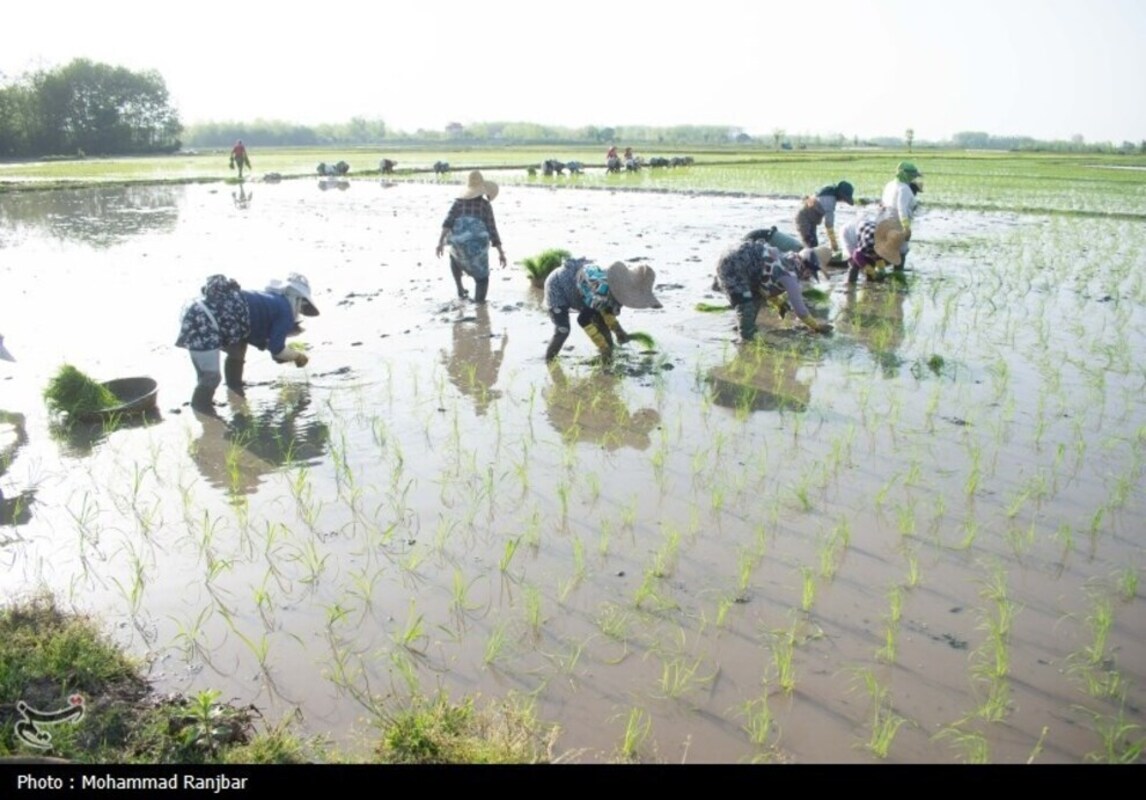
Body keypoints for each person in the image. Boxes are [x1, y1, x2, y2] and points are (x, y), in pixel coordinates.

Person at [176, 273, 318, 412]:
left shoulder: (270, 300)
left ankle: (234, 386)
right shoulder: (285, 311)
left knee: (239, 346)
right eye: (302, 307)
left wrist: (279, 353)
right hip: (204, 319)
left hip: (197, 309)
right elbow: (277, 349)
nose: (301, 311)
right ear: (298, 300)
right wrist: (298, 357)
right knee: (210, 377)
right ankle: (202, 411)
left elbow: (254, 333)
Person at [543, 257, 661, 362]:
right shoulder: (601, 291)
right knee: (563, 330)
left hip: (586, 295)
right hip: (558, 287)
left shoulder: (617, 291)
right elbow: (583, 320)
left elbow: (607, 312)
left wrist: (619, 331)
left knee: (602, 325)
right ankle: (549, 360)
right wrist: (602, 346)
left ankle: (607, 357)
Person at [714, 240, 833, 341]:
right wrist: (817, 327)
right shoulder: (790, 276)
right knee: (746, 307)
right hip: (733, 267)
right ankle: (746, 341)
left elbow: (764, 287)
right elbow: (801, 311)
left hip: (733, 259)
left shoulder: (786, 258)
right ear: (806, 267)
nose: (808, 276)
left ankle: (743, 327)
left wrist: (779, 303)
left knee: (756, 298)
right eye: (810, 273)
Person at [435, 170, 507, 303]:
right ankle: (479, 304)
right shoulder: (485, 206)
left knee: (454, 257)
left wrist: (440, 242)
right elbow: (492, 229)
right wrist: (501, 253)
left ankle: (460, 288)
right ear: (482, 189)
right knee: (482, 279)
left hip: (459, 245)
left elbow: (447, 223)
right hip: (477, 248)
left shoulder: (458, 203)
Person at [879, 162, 922, 269]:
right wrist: (906, 227)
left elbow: (883, 204)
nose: (913, 178)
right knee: (902, 251)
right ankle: (898, 275)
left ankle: (878, 273)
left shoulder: (889, 185)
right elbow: (901, 209)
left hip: (884, 221)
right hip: (897, 223)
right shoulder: (904, 188)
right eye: (912, 175)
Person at [794, 181, 855, 251]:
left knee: (813, 246)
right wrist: (833, 242)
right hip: (804, 220)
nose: (843, 200)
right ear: (840, 195)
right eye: (844, 198)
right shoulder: (829, 200)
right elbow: (829, 224)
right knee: (811, 245)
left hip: (810, 220)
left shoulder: (828, 192)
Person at [845, 217, 908, 284]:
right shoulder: (869, 243)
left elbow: (879, 255)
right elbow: (856, 255)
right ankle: (850, 286)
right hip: (850, 233)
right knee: (854, 264)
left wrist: (881, 269)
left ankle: (869, 285)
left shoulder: (886, 241)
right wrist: (870, 270)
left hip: (867, 230)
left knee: (873, 258)